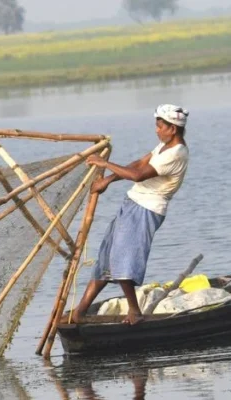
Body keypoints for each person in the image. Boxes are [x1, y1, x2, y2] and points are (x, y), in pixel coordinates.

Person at [71, 104, 191, 325]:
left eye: (159, 126)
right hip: (132, 204)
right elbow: (138, 164)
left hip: (146, 209)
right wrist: (107, 179)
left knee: (123, 260)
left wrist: (104, 163)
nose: (156, 130)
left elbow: (137, 175)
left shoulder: (176, 153)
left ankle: (134, 312)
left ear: (172, 129)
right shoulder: (163, 148)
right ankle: (80, 312)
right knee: (106, 259)